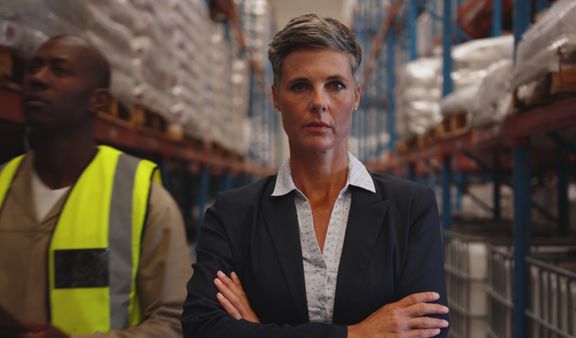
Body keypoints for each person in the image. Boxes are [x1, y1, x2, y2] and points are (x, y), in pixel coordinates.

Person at [182, 14, 449, 338]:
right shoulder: (232, 214)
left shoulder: (410, 209)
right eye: (300, 86)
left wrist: (256, 329)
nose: (319, 103)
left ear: (357, 96)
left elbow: (427, 332)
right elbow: (203, 328)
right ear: (276, 97)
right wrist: (357, 334)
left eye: (335, 85)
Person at [0, 35, 191, 338]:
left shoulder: (142, 198)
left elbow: (176, 322)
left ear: (98, 100)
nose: (37, 78)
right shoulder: (3, 185)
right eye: (33, 68)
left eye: (59, 70)